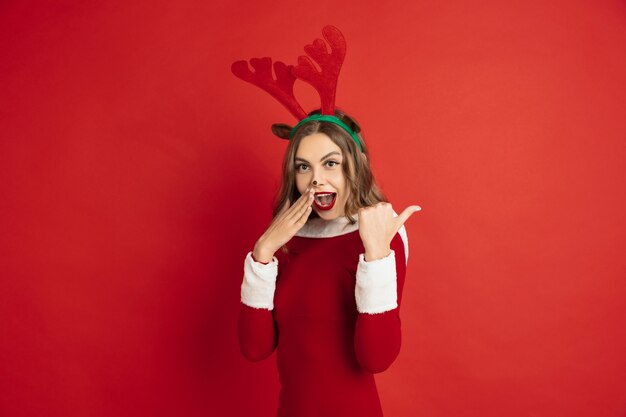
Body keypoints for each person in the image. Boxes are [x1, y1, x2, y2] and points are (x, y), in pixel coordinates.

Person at [238, 107, 421, 417]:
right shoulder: (288, 236)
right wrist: (263, 252)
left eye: (331, 164)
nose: (316, 180)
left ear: (358, 163)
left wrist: (376, 255)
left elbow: (376, 358)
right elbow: (255, 348)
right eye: (303, 167)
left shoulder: (380, 233)